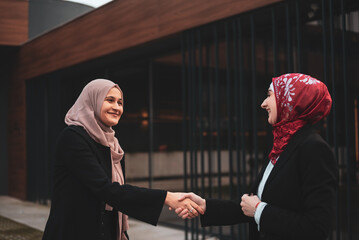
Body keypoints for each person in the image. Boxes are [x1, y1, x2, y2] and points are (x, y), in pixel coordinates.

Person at [174, 73, 338, 240]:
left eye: (269, 95)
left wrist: (260, 210)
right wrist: (205, 206)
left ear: (291, 100)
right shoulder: (282, 145)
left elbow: (317, 229)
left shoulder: (314, 148)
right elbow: (251, 206)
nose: (263, 104)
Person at [42, 79, 204, 240]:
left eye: (120, 102)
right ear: (93, 101)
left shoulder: (113, 145)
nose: (116, 107)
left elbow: (117, 199)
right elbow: (108, 190)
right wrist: (167, 198)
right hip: (73, 232)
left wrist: (122, 233)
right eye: (110, 100)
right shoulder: (73, 138)